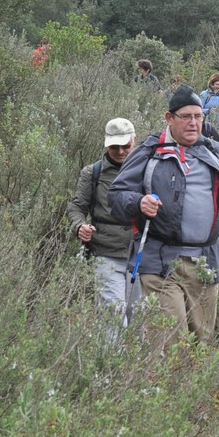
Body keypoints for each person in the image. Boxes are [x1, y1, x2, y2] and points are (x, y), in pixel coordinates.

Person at [110, 86, 219, 347]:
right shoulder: (150, 150)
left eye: (198, 116)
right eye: (186, 116)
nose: (193, 123)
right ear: (169, 118)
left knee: (201, 343)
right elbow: (117, 196)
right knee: (169, 341)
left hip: (205, 262)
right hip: (160, 262)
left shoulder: (216, 151)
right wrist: (139, 202)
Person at [66, 118, 140, 328]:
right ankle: (111, 351)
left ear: (134, 140)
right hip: (106, 255)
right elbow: (77, 207)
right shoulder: (93, 173)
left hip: (141, 257)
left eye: (125, 145)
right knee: (113, 317)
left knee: (140, 319)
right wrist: (80, 226)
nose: (120, 151)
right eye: (114, 147)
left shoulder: (148, 169)